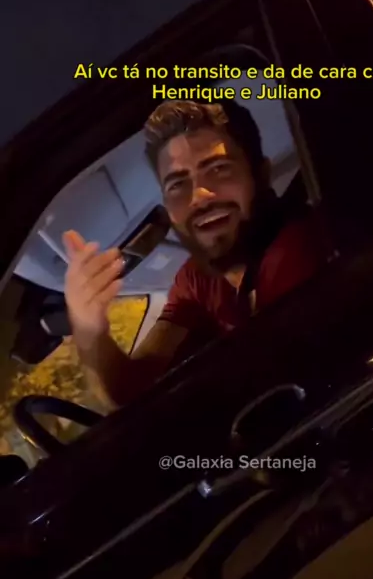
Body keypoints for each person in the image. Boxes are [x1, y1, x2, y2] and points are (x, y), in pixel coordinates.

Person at [63, 99, 334, 409]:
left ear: (261, 174)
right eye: (177, 184)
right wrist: (89, 329)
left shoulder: (304, 248)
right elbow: (131, 391)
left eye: (218, 168)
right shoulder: (194, 278)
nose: (199, 196)